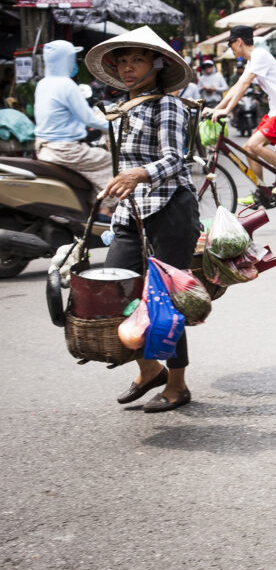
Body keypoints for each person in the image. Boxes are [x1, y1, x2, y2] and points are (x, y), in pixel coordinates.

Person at [84, 26, 200, 413]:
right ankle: (149, 369)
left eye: (138, 60)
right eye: (123, 61)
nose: (128, 68)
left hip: (170, 209)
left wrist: (140, 175)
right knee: (117, 292)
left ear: (156, 64)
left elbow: (175, 159)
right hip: (131, 214)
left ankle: (178, 384)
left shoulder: (167, 105)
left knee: (166, 301)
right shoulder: (122, 110)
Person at [206, 25, 276, 203]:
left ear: (239, 41)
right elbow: (237, 86)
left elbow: (244, 86)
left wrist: (226, 111)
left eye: (230, 44)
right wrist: (217, 108)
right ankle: (262, 192)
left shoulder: (260, 56)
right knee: (248, 149)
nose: (231, 48)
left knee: (255, 146)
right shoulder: (252, 61)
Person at [33, 40, 117, 218]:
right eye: (72, 58)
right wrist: (115, 126)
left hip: (43, 146)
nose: (74, 62)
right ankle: (104, 210)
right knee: (109, 160)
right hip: (65, 149)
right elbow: (88, 119)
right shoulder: (66, 84)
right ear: (65, 59)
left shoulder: (43, 83)